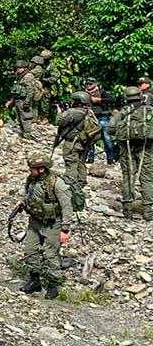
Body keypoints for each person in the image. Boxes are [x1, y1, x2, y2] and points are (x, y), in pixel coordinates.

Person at [18, 155, 74, 300]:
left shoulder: (57, 184)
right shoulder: (31, 180)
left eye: (33, 168)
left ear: (41, 169)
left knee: (51, 255)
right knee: (30, 251)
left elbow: (67, 207)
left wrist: (65, 229)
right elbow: (29, 195)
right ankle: (34, 281)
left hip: (53, 223)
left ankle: (53, 285)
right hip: (35, 221)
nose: (30, 170)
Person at [112, 86, 153, 220]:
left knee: (128, 177)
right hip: (146, 149)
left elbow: (110, 129)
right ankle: (148, 212)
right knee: (146, 179)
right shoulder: (149, 110)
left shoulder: (124, 112)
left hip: (127, 148)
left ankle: (127, 210)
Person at [54, 91, 96, 187]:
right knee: (81, 161)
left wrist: (59, 112)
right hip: (84, 141)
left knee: (71, 163)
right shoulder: (89, 111)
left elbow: (59, 121)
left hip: (72, 143)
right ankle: (81, 181)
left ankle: (71, 184)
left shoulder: (73, 112)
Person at [83, 78, 116, 165]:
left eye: (90, 83)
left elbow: (112, 99)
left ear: (95, 84)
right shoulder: (84, 94)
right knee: (89, 138)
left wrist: (99, 100)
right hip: (89, 118)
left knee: (107, 138)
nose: (88, 85)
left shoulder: (102, 92)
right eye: (87, 83)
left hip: (102, 117)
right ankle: (90, 159)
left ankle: (110, 159)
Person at [5, 61, 40, 140]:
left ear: (24, 68)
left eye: (19, 68)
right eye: (17, 68)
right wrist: (11, 101)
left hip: (24, 100)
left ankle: (27, 134)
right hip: (18, 99)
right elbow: (16, 89)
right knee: (19, 117)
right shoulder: (19, 76)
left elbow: (30, 90)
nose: (18, 70)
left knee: (25, 117)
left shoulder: (28, 76)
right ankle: (22, 133)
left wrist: (27, 101)